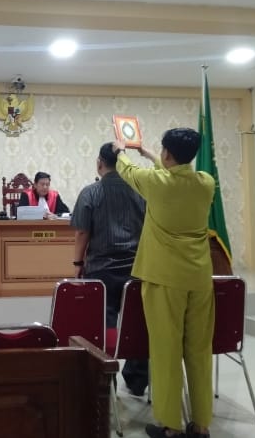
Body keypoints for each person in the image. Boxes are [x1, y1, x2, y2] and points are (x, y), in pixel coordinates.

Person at [113, 128, 215, 438]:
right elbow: (176, 175)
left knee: (166, 351)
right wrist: (149, 153)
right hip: (200, 278)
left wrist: (121, 150)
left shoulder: (156, 184)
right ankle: (201, 424)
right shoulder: (206, 183)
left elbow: (128, 171)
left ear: (167, 153)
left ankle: (171, 426)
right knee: (199, 351)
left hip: (164, 278)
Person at [70, 142, 148, 396]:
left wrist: (78, 264)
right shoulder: (141, 190)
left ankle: (105, 380)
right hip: (137, 268)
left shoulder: (90, 192)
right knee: (137, 323)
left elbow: (82, 232)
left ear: (99, 163)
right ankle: (138, 381)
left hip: (101, 269)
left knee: (104, 325)